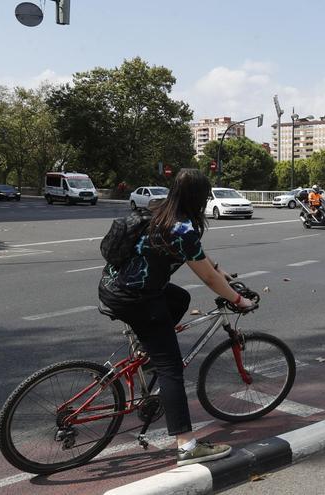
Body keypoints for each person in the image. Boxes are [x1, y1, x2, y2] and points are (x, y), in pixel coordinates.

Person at [98, 168, 254, 466]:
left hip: (114, 285)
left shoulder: (159, 210)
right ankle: (186, 446)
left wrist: (221, 271)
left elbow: (200, 257)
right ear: (199, 198)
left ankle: (146, 350)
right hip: (136, 299)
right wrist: (238, 300)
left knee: (180, 298)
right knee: (171, 369)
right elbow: (207, 278)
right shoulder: (182, 228)